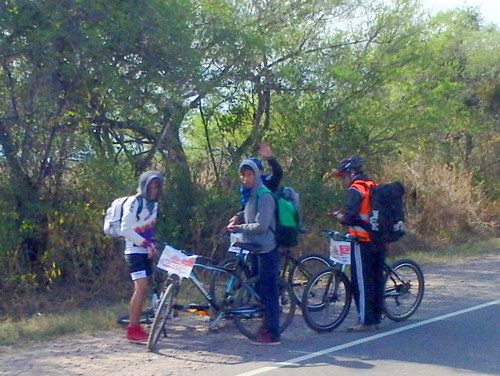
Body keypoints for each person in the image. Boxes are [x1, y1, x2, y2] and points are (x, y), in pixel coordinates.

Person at [227, 159, 281, 345]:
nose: (246, 178)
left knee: (269, 291)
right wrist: (237, 218)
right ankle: (265, 326)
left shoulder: (264, 195)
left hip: (267, 248)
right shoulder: (250, 195)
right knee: (259, 291)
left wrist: (240, 228)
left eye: (249, 174)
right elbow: (247, 213)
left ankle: (273, 333)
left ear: (257, 175)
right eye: (243, 175)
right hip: (255, 248)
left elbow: (262, 225)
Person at [331, 156, 386, 332]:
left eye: (343, 176)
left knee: (362, 282)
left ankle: (365, 321)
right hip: (378, 240)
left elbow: (350, 217)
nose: (342, 180)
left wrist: (339, 216)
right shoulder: (373, 185)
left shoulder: (356, 188)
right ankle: (375, 317)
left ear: (351, 173)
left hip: (363, 242)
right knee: (376, 280)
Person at [121, 170, 164, 342]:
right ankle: (133, 328)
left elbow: (149, 229)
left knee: (145, 288)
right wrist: (145, 244)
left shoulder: (154, 205)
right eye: (151, 186)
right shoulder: (134, 202)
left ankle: (138, 324)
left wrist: (151, 246)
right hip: (134, 251)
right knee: (141, 288)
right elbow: (125, 229)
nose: (153, 190)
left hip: (146, 251)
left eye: (156, 186)